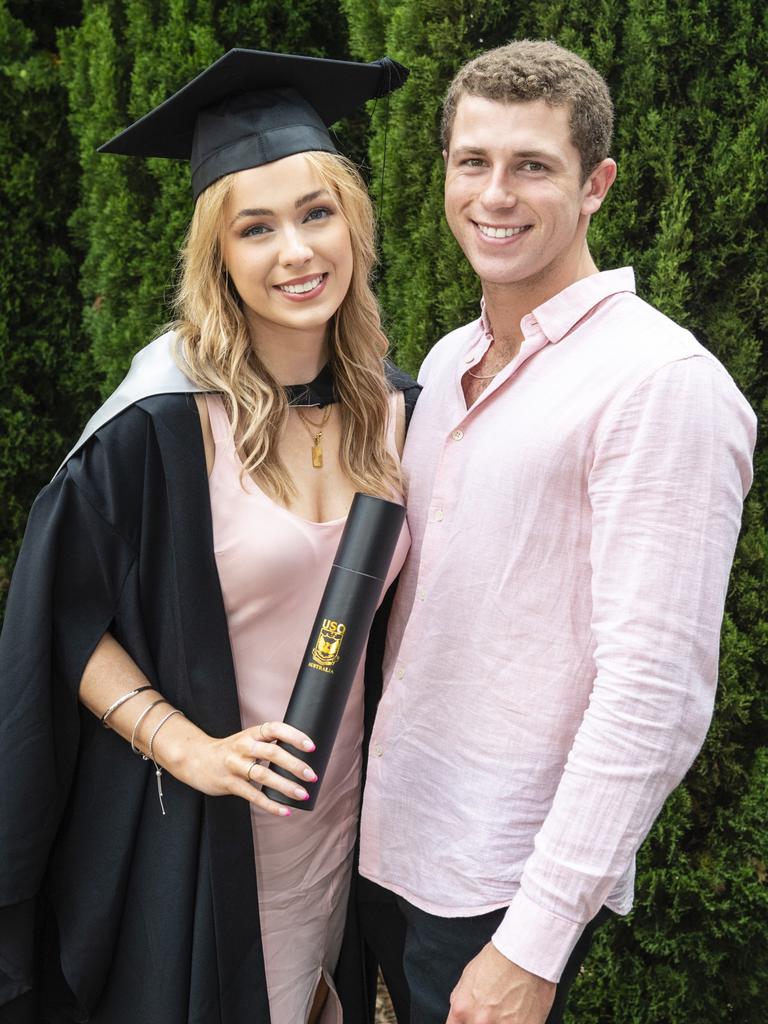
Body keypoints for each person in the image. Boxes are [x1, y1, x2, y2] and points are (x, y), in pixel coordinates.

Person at [0, 49, 417, 1024]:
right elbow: (57, 612)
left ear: (352, 224)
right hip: (201, 835)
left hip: (338, 825)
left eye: (316, 214)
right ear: (218, 255)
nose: (295, 251)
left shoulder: (397, 408)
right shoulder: (163, 420)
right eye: (256, 228)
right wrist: (183, 744)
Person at [359, 39, 757, 1024]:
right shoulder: (449, 361)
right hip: (386, 839)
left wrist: (533, 943)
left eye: (532, 165)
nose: (496, 193)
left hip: (499, 875)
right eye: (473, 162)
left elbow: (656, 691)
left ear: (596, 185)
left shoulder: (662, 383)